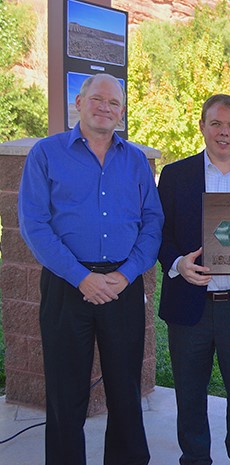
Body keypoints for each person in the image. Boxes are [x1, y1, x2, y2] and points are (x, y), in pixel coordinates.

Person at [18, 73, 163, 465]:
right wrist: (81, 276)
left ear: (122, 112)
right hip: (68, 285)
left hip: (123, 285)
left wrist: (127, 273)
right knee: (66, 393)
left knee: (125, 390)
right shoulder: (46, 154)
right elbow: (34, 224)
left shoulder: (134, 160)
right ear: (78, 103)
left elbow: (152, 222)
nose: (105, 107)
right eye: (97, 99)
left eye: (113, 103)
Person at [157, 94, 230, 465]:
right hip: (189, 305)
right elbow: (158, 234)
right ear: (202, 126)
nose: (224, 133)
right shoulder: (177, 176)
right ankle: (195, 460)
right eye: (216, 124)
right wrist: (178, 263)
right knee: (189, 395)